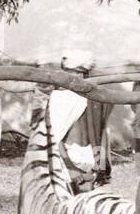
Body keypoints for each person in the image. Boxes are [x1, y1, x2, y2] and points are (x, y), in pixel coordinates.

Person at [44, 50, 113, 192]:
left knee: (91, 207)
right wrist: (70, 168)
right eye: (72, 72)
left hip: (91, 158)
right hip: (65, 160)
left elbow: (102, 132)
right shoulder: (58, 98)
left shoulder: (95, 98)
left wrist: (101, 164)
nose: (77, 77)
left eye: (81, 73)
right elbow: (54, 137)